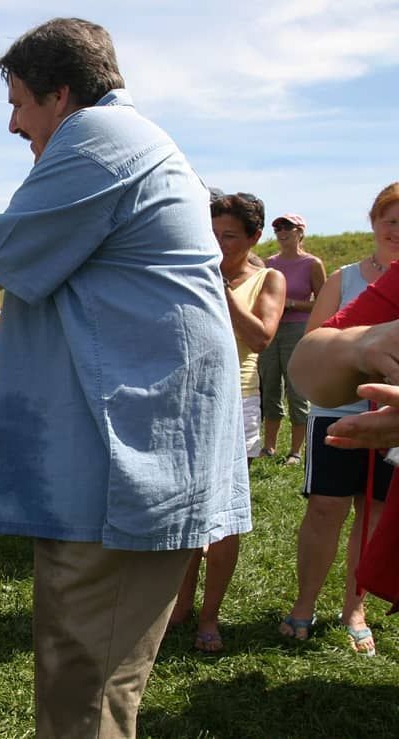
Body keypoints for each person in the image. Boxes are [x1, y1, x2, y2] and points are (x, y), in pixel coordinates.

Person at [0, 19, 248, 737]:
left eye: (22, 102)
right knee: (77, 665)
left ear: (62, 95)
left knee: (86, 683)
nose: (12, 122)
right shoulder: (128, 142)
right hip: (116, 458)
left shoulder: (97, 141)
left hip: (127, 466)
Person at [281, 183, 399, 656]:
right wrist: (361, 348)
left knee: (371, 514)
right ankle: (304, 602)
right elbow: (312, 351)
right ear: (373, 222)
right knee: (326, 509)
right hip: (337, 415)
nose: (397, 229)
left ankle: (355, 607)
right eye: (389, 218)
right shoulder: (347, 278)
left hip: (388, 427)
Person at [169, 193, 285, 653]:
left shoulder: (267, 279)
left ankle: (209, 617)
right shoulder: (189, 271)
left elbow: (260, 336)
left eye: (229, 236)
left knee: (224, 520)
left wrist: (220, 289)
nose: (218, 244)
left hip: (237, 402)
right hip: (185, 400)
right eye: (211, 235)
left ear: (254, 237)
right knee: (182, 514)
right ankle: (178, 608)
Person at [259, 213, 326, 464]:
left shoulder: (311, 263)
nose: (282, 231)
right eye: (277, 227)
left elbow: (323, 302)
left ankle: (296, 451)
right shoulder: (268, 264)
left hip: (298, 331)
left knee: (297, 389)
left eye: (287, 227)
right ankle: (269, 447)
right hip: (271, 329)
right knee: (270, 387)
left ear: (300, 232)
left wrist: (293, 304)